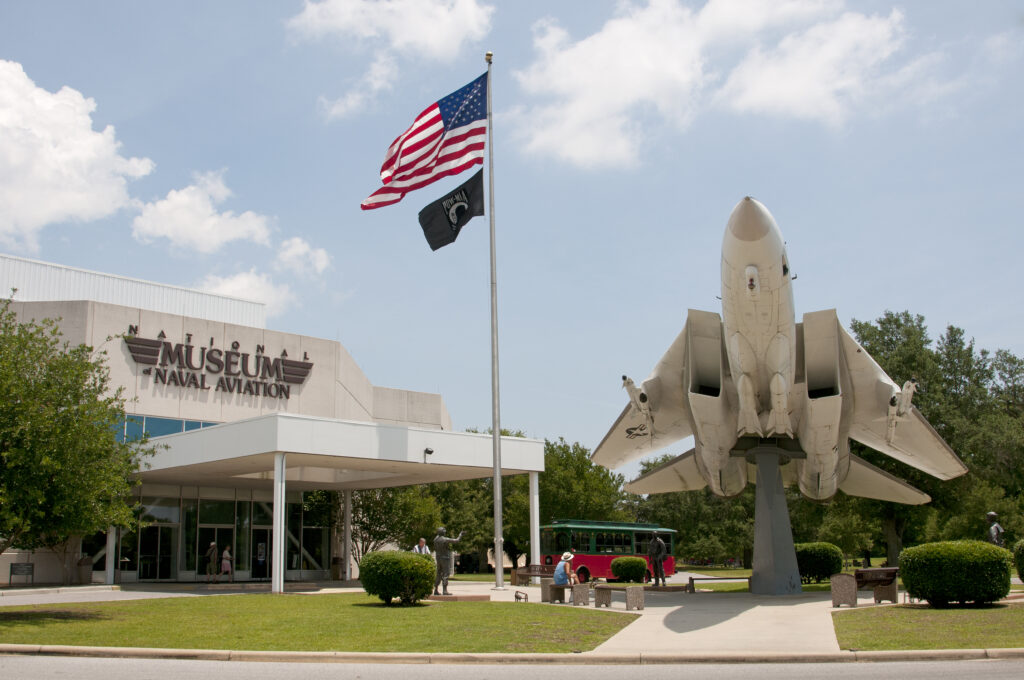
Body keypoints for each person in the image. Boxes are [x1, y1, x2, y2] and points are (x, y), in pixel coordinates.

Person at [432, 527, 463, 595]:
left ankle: (436, 589)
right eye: (444, 531)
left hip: (438, 558)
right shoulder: (445, 539)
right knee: (446, 574)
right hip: (445, 558)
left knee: (438, 574)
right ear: (442, 532)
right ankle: (445, 590)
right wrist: (460, 535)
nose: (445, 532)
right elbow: (456, 540)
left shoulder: (435, 539)